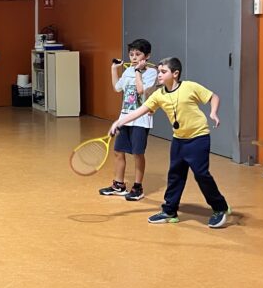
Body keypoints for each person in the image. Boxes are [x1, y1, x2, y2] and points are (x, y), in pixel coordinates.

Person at [110, 57, 231, 227]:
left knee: (201, 174)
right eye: (159, 71)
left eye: (163, 72)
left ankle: (220, 208)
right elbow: (139, 111)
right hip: (178, 139)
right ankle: (169, 211)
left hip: (198, 137)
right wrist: (119, 122)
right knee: (175, 175)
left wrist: (213, 113)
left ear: (175, 73)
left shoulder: (189, 87)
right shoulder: (159, 95)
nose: (159, 74)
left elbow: (213, 97)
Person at [99, 38, 158, 201]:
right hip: (125, 118)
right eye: (131, 54)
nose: (133, 57)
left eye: (138, 54)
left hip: (141, 120)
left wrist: (138, 71)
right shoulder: (128, 71)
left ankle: (138, 187)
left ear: (147, 56)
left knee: (138, 153)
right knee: (118, 151)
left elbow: (141, 91)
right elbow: (117, 88)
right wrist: (113, 69)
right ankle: (119, 185)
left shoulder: (152, 73)